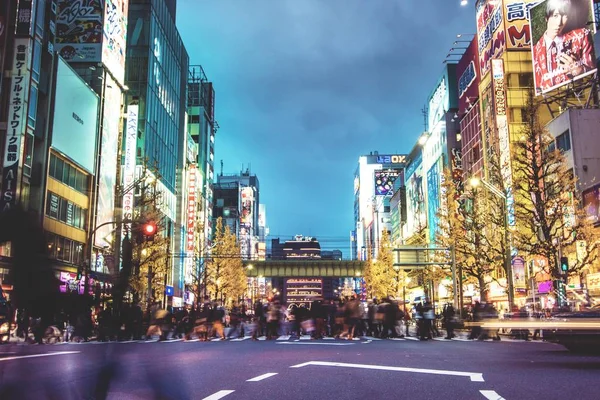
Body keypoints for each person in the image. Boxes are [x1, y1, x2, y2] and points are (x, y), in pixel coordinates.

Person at [533, 0, 595, 94]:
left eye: (564, 16)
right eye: (555, 15)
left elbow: (593, 70)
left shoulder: (582, 36)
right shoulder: (535, 52)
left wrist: (581, 70)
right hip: (551, 102)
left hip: (579, 95)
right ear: (547, 18)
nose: (559, 22)